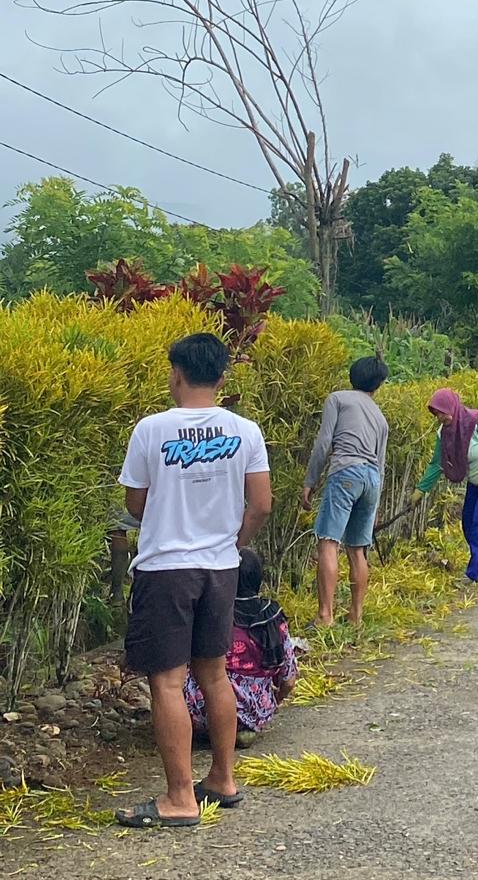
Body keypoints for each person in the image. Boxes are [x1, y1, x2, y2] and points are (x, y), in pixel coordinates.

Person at [116, 333, 272, 828]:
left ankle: (179, 799)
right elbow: (262, 503)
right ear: (223, 377)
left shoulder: (151, 430)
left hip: (167, 570)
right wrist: (233, 541)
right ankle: (222, 780)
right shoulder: (246, 431)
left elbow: (135, 504)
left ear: (176, 373)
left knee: (166, 681)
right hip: (220, 568)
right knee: (214, 673)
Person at [301, 355, 390, 628]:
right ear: (378, 385)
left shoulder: (338, 399)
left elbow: (324, 442)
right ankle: (355, 616)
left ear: (353, 376)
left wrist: (310, 481)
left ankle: (325, 616)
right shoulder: (380, 417)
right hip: (371, 480)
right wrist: (376, 506)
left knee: (328, 542)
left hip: (346, 472)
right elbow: (381, 464)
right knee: (357, 549)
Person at [184, 548, 297, 749]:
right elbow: (288, 681)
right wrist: (274, 702)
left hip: (203, 709)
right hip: (255, 710)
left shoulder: (210, 613)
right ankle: (240, 729)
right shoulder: (272, 617)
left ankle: (205, 729)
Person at [413, 389, 478, 582]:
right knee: (468, 521)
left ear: (453, 407)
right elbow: (437, 463)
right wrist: (420, 491)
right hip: (477, 477)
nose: (439, 417)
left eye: (442, 412)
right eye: (436, 413)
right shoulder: (444, 434)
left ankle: (474, 575)